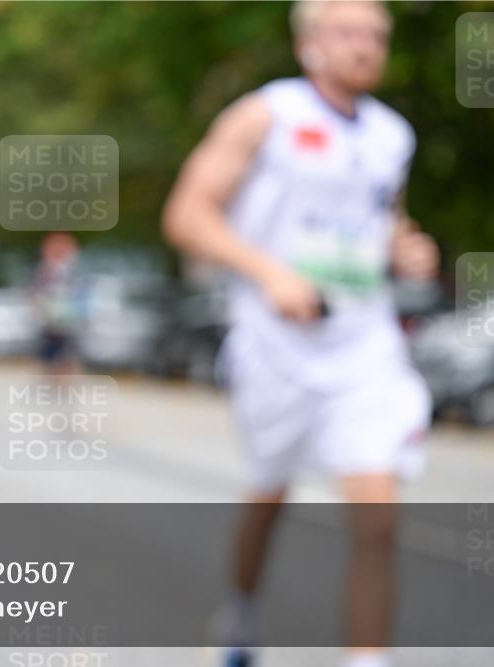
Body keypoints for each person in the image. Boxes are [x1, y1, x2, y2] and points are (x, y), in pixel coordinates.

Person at [162, 3, 439, 667]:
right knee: (270, 494)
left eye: (377, 35)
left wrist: (406, 249)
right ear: (308, 42)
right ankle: (240, 613)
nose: (366, 46)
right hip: (275, 345)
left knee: (378, 513)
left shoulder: (391, 136)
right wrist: (268, 272)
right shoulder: (267, 116)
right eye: (349, 32)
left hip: (361, 343)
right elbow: (187, 214)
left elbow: (381, 218)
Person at [33, 232, 83, 375]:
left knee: (66, 351)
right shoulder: (44, 270)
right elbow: (37, 293)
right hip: (50, 318)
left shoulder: (71, 270)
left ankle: (65, 380)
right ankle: (53, 379)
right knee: (51, 351)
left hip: (67, 318)